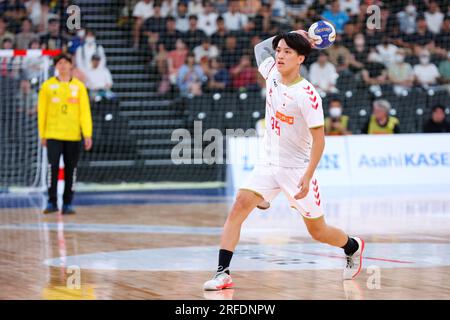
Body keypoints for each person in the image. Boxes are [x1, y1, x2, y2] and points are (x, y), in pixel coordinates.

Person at [203, 31, 364, 291]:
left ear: (301, 58)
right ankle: (223, 273)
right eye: (279, 50)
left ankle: (352, 246)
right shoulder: (273, 75)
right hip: (268, 162)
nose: (279, 55)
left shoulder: (308, 95)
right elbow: (259, 49)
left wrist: (308, 175)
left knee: (318, 231)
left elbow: (320, 141)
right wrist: (288, 34)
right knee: (238, 207)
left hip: (297, 169)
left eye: (287, 51)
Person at [38, 54, 93, 215]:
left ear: (71, 66)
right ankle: (51, 201)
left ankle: (68, 203)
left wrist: (87, 134)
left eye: (66, 63)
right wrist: (43, 134)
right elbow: (42, 112)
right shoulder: (47, 86)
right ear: (56, 66)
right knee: (53, 167)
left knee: (71, 169)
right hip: (53, 134)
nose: (62, 66)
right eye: (60, 63)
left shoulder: (79, 87)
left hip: (73, 135)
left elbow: (85, 112)